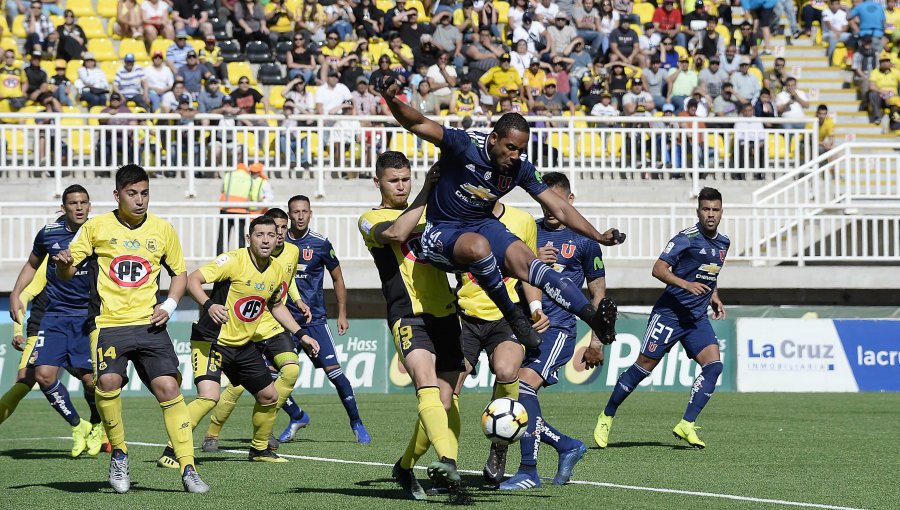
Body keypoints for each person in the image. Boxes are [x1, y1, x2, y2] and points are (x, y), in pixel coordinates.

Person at [374, 73, 622, 352]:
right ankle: (514, 316)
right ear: (493, 139)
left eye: (521, 149)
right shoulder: (463, 145)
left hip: (482, 224)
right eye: (510, 148)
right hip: (442, 232)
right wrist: (391, 99)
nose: (515, 155)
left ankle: (592, 318)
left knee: (529, 263)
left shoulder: (520, 168)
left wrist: (597, 236)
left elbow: (560, 207)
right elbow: (417, 122)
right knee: (480, 247)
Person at [53, 165, 210, 494]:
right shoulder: (97, 227)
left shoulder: (162, 229)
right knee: (107, 381)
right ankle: (120, 455)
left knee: (169, 387)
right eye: (132, 193)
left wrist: (168, 305)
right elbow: (67, 272)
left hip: (150, 324)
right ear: (117, 195)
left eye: (144, 193)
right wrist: (64, 263)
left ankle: (187, 466)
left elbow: (179, 274)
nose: (140, 200)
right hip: (110, 324)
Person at [164, 211, 316, 463]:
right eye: (260, 235)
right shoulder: (233, 260)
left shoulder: (277, 270)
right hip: (211, 341)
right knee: (208, 397)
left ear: (278, 237)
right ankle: (171, 450)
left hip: (242, 345)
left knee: (269, 396)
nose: (266, 240)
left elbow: (276, 306)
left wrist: (301, 335)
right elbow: (193, 280)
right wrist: (209, 304)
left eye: (271, 235)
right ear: (249, 238)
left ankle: (259, 450)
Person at [358, 154, 464, 498]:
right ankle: (448, 462)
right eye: (393, 180)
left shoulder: (431, 212)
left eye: (406, 179)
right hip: (408, 313)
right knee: (425, 384)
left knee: (447, 402)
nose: (401, 186)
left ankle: (405, 467)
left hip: (446, 312)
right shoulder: (370, 219)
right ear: (378, 182)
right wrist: (427, 192)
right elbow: (397, 232)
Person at [594, 187, 728, 450]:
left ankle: (686, 424)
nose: (710, 215)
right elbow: (657, 268)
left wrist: (714, 295)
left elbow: (710, 272)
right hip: (669, 314)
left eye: (715, 210)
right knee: (643, 367)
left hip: (696, 318)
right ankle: (607, 415)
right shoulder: (685, 239)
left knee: (713, 365)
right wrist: (685, 285)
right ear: (698, 211)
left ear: (722, 211)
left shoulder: (723, 243)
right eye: (706, 209)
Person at [500, 172, 605, 491]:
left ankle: (529, 470)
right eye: (543, 200)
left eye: (556, 201)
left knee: (523, 389)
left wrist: (597, 341)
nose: (548, 208)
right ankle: (566, 445)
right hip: (525, 327)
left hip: (559, 329)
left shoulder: (585, 241)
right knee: (511, 395)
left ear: (569, 202)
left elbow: (598, 294)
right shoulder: (529, 231)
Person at [450, 200, 549, 489]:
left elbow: (529, 268)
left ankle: (500, 445)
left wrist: (535, 306)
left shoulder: (522, 220)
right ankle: (448, 460)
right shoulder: (457, 217)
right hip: (465, 315)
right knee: (452, 383)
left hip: (507, 315)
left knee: (506, 371)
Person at [7, 187, 102, 457]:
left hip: (87, 315)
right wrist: (16, 293)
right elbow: (31, 264)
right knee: (43, 376)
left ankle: (96, 423)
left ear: (90, 205)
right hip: (55, 315)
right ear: (64, 207)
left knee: (91, 383)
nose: (79, 207)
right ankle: (77, 425)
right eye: (73, 203)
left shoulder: (99, 231)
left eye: (84, 202)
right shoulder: (49, 234)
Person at [273, 195, 370, 443]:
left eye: (304, 211)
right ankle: (296, 415)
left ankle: (357, 423)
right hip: (285, 322)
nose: (300, 216)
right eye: (295, 212)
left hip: (314, 321)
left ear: (310, 213)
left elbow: (338, 279)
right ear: (289, 214)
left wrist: (342, 314)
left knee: (334, 373)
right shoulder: (277, 245)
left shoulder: (320, 244)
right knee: (270, 376)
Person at [217, 160, 266, 254]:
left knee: (222, 236)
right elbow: (252, 195)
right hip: (242, 210)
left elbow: (222, 189)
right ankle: (242, 257)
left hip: (226, 209)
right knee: (240, 237)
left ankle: (219, 257)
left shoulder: (229, 175)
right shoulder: (249, 178)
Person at [867, 54, 900, 125]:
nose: (885, 63)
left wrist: (889, 94)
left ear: (890, 62)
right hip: (880, 95)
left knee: (895, 100)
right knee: (872, 94)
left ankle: (894, 122)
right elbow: (871, 86)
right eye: (883, 61)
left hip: (893, 96)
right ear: (879, 63)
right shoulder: (875, 72)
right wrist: (882, 91)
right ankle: (878, 117)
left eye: (887, 61)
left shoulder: (896, 72)